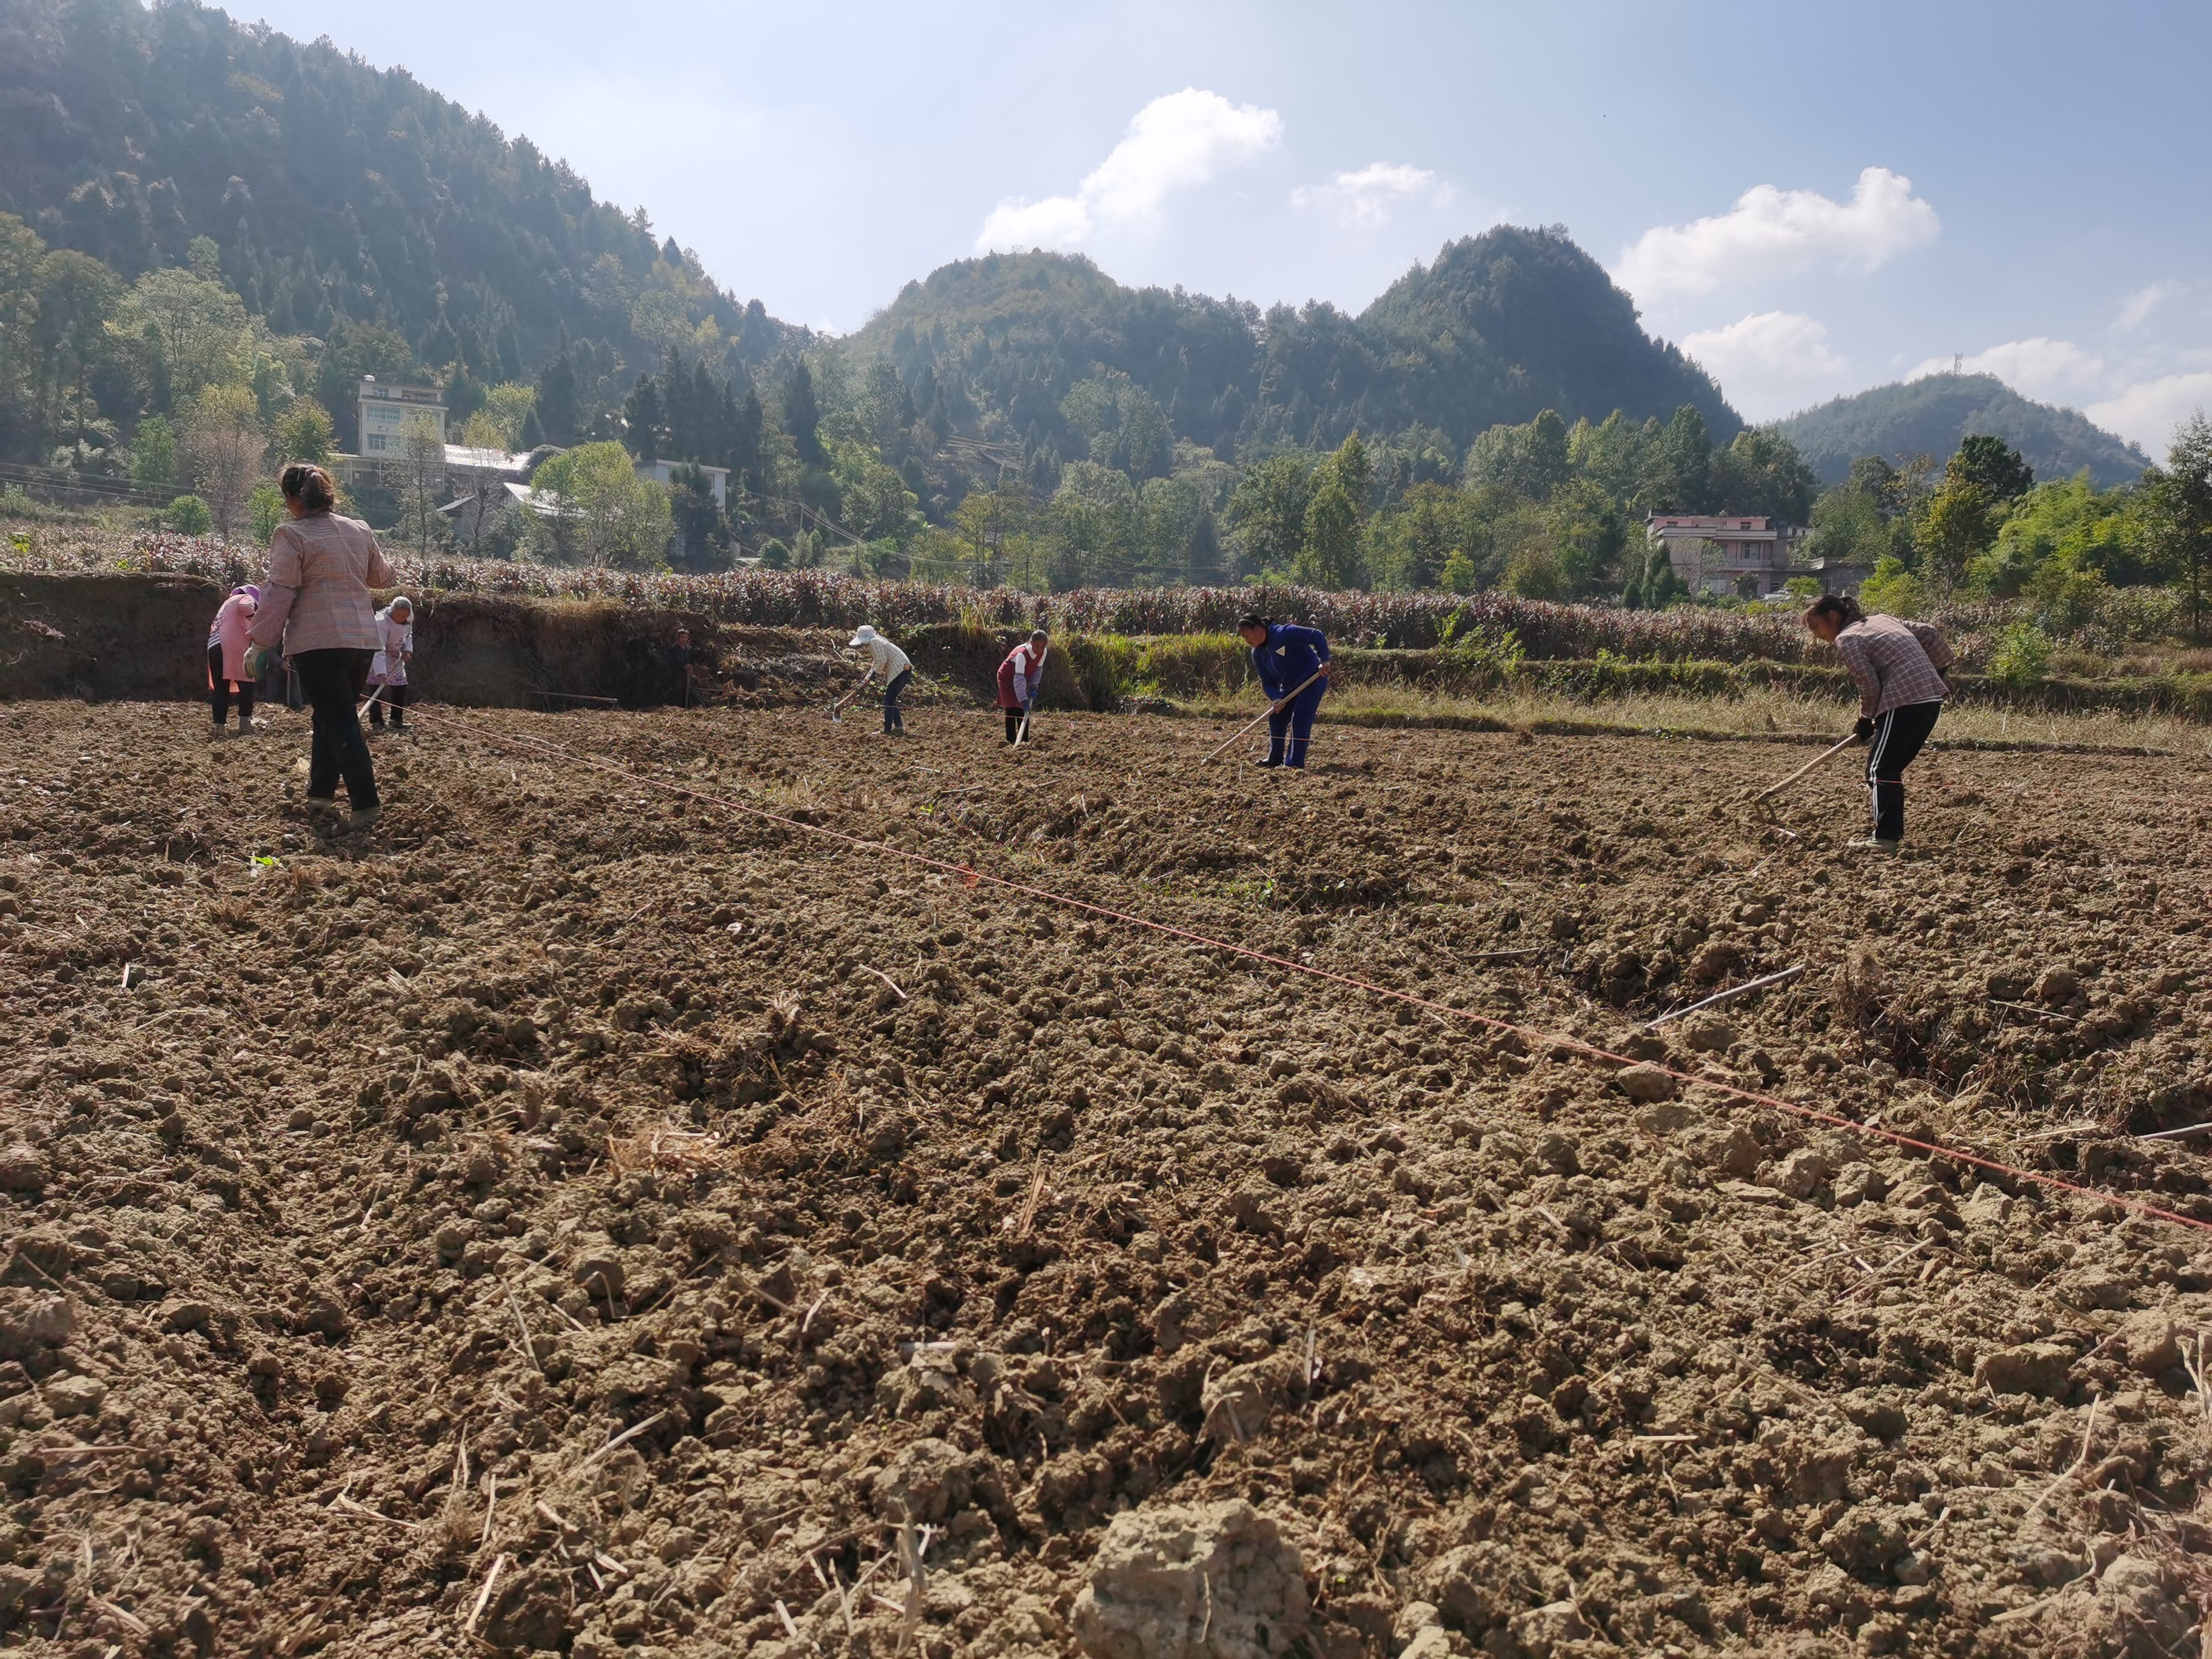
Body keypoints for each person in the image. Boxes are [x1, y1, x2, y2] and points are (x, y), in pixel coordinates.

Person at [244, 463, 395, 831]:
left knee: (339, 718)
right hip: (361, 642)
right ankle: (320, 793)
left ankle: (365, 802)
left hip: (318, 643)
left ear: (294, 500)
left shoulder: (291, 536)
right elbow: (384, 577)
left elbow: (281, 590)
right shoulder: (359, 529)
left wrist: (260, 643)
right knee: (330, 715)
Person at [1802, 593, 1952, 853]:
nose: (1817, 635)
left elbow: (1868, 684)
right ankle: (1889, 834)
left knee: (1879, 769)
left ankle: (1885, 838)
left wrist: (1864, 719)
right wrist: (1934, 675)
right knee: (1888, 769)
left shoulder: (1847, 638)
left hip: (1904, 702)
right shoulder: (1883, 620)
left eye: (1816, 627)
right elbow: (1930, 634)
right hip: (1930, 699)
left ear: (1833, 617)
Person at [1236, 612, 1332, 769]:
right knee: (1276, 717)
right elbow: (1267, 682)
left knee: (1300, 718)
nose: (1247, 642)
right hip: (1288, 687)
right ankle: (1275, 759)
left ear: (1258, 628)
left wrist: (1325, 660)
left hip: (1312, 680)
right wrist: (1276, 698)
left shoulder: (1285, 633)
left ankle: (1293, 764)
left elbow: (1316, 635)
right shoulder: (1258, 653)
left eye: (1247, 636)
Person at [207, 583, 260, 734]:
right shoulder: (245, 597)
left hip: (214, 645)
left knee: (221, 688)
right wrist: (256, 621)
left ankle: (219, 726)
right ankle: (245, 724)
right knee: (247, 683)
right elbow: (246, 607)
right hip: (231, 645)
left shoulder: (226, 604)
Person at [848, 623, 913, 736]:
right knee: (890, 700)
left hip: (900, 670)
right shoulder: (878, 641)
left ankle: (887, 730)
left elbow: (882, 660)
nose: (862, 645)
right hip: (902, 671)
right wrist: (868, 678)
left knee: (889, 700)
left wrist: (874, 674)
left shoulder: (875, 642)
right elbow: (877, 663)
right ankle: (899, 728)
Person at [367, 595, 414, 732]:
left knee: (400, 687)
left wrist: (407, 650)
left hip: (395, 657)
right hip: (379, 655)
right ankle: (377, 722)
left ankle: (396, 720)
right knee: (376, 687)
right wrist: (381, 672)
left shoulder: (407, 621)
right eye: (398, 614)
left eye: (404, 615)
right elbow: (378, 647)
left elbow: (408, 636)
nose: (401, 618)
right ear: (392, 611)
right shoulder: (382, 622)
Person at [996, 629, 1050, 743]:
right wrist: (1024, 699)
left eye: (1042, 646)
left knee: (1021, 710)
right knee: (1012, 707)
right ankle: (1011, 741)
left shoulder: (1043, 652)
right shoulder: (1022, 655)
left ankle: (1024, 741)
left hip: (1022, 675)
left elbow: (1038, 671)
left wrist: (1033, 686)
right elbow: (1018, 679)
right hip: (1007, 677)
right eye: (1037, 646)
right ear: (1031, 642)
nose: (1039, 650)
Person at [670, 626, 697, 709]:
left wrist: (690, 668)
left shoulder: (689, 649)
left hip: (687, 676)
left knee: (688, 693)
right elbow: (670, 663)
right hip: (676, 676)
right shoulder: (673, 649)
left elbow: (692, 661)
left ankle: (687, 710)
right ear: (678, 638)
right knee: (678, 694)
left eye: (686, 638)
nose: (684, 640)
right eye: (682, 637)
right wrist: (683, 667)